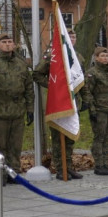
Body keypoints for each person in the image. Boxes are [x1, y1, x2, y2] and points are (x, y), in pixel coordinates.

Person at [0, 33, 34, 184]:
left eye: (10, 41)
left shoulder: (21, 64)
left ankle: (14, 173)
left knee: (16, 145)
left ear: (15, 45)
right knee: (0, 145)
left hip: (17, 111)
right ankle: (1, 174)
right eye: (4, 42)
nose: (8, 44)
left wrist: (30, 109)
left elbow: (29, 87)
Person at [34, 28, 82, 180]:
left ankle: (69, 167)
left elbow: (81, 79)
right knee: (58, 138)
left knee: (70, 136)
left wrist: (85, 99)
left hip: (73, 102)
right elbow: (37, 74)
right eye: (69, 37)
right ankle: (61, 169)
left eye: (73, 37)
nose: (72, 40)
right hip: (58, 102)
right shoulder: (53, 56)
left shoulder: (77, 57)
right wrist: (54, 86)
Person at [81, 46, 108, 175]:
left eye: (107, 56)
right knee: (99, 137)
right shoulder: (92, 73)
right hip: (100, 109)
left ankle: (105, 163)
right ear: (96, 58)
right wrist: (92, 110)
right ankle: (98, 164)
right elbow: (88, 92)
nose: (105, 58)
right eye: (102, 56)